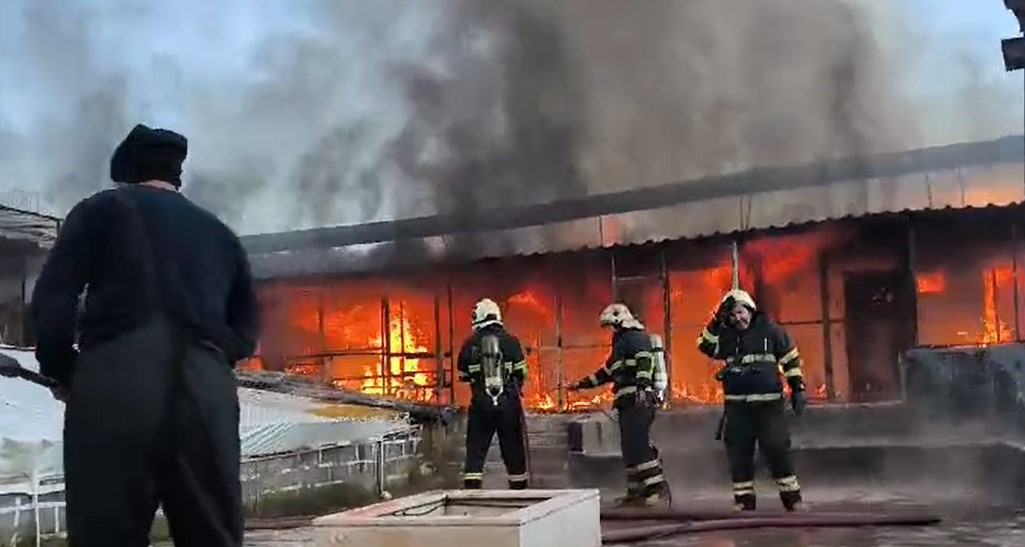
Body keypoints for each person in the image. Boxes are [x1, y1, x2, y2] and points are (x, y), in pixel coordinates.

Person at [30, 124, 259, 546]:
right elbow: (247, 331)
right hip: (206, 386)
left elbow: (53, 300)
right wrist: (209, 358)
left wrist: (64, 371)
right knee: (213, 534)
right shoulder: (221, 235)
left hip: (116, 381)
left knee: (106, 532)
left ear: (126, 172)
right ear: (176, 176)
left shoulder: (100, 211)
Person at [697, 289, 806, 512]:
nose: (737, 319)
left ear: (750, 309)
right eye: (732, 316)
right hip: (737, 408)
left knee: (777, 450)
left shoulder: (772, 332)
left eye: (740, 312)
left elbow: (790, 360)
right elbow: (704, 345)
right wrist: (717, 320)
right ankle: (744, 503)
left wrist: (797, 388)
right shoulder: (726, 336)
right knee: (739, 454)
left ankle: (793, 500)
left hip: (769, 406)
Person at [567, 303, 670, 508]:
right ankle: (635, 492)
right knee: (629, 447)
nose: (609, 331)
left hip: (639, 400)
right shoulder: (620, 345)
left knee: (639, 445)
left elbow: (644, 362)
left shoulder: (636, 338)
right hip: (626, 402)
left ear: (620, 321)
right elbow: (606, 373)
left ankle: (657, 489)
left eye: (610, 326)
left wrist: (641, 387)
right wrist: (581, 384)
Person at [457, 298, 530, 489]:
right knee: (513, 449)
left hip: (481, 405)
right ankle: (519, 493)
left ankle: (471, 494)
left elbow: (463, 375)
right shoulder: (512, 342)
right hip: (509, 405)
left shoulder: (469, 344)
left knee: (476, 450)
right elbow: (522, 373)